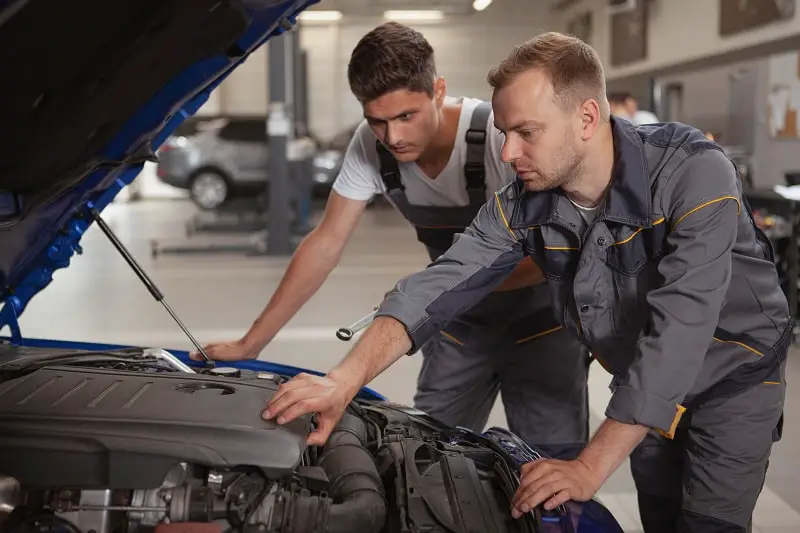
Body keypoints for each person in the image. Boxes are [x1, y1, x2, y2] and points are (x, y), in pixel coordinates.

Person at [262, 31, 790, 533]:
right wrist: (343, 380)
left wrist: (587, 467)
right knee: (660, 514)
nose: (509, 154)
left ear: (586, 117)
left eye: (526, 133)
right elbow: (441, 282)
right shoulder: (524, 202)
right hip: (640, 381)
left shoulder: (694, 173)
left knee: (706, 523)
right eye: (504, 134)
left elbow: (680, 330)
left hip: (731, 379)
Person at [192, 22, 591, 460]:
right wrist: (252, 343)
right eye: (377, 120)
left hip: (543, 327)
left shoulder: (500, 137)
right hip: (456, 329)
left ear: (438, 91)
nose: (393, 136)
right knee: (424, 457)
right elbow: (325, 243)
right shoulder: (371, 147)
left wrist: (427, 292)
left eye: (406, 116)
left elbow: (555, 255)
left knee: (551, 469)